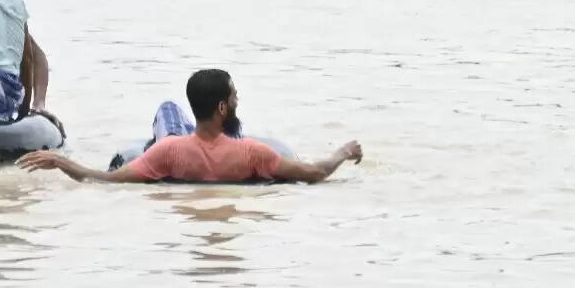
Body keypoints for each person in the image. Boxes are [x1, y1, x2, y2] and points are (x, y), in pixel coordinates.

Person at [20, 69, 362, 184]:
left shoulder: (169, 150)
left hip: (183, 146)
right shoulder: (252, 153)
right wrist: (343, 152)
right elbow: (315, 172)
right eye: (235, 97)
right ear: (223, 107)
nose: (238, 101)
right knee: (176, 112)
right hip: (225, 146)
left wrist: (62, 162)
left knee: (167, 109)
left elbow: (104, 180)